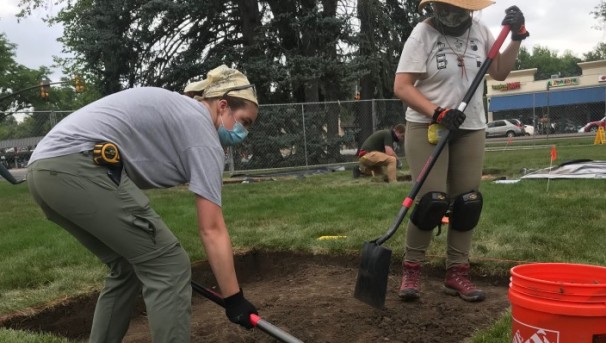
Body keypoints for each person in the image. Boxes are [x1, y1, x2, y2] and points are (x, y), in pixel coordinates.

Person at [26, 65, 260, 342]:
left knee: (127, 266)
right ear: (223, 106)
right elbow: (212, 229)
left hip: (44, 172)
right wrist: (234, 299)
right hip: (77, 165)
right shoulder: (201, 130)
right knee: (169, 265)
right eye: (244, 121)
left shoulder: (182, 113)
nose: (243, 131)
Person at [393, 0, 528, 302]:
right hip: (428, 127)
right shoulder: (422, 34)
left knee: (467, 203)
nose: (449, 13)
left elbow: (501, 72)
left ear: (470, 9)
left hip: (471, 127)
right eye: (442, 6)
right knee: (432, 202)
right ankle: (412, 268)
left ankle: (457, 273)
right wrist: (437, 112)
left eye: (455, 7)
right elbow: (402, 86)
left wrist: (516, 38)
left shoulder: (481, 31)